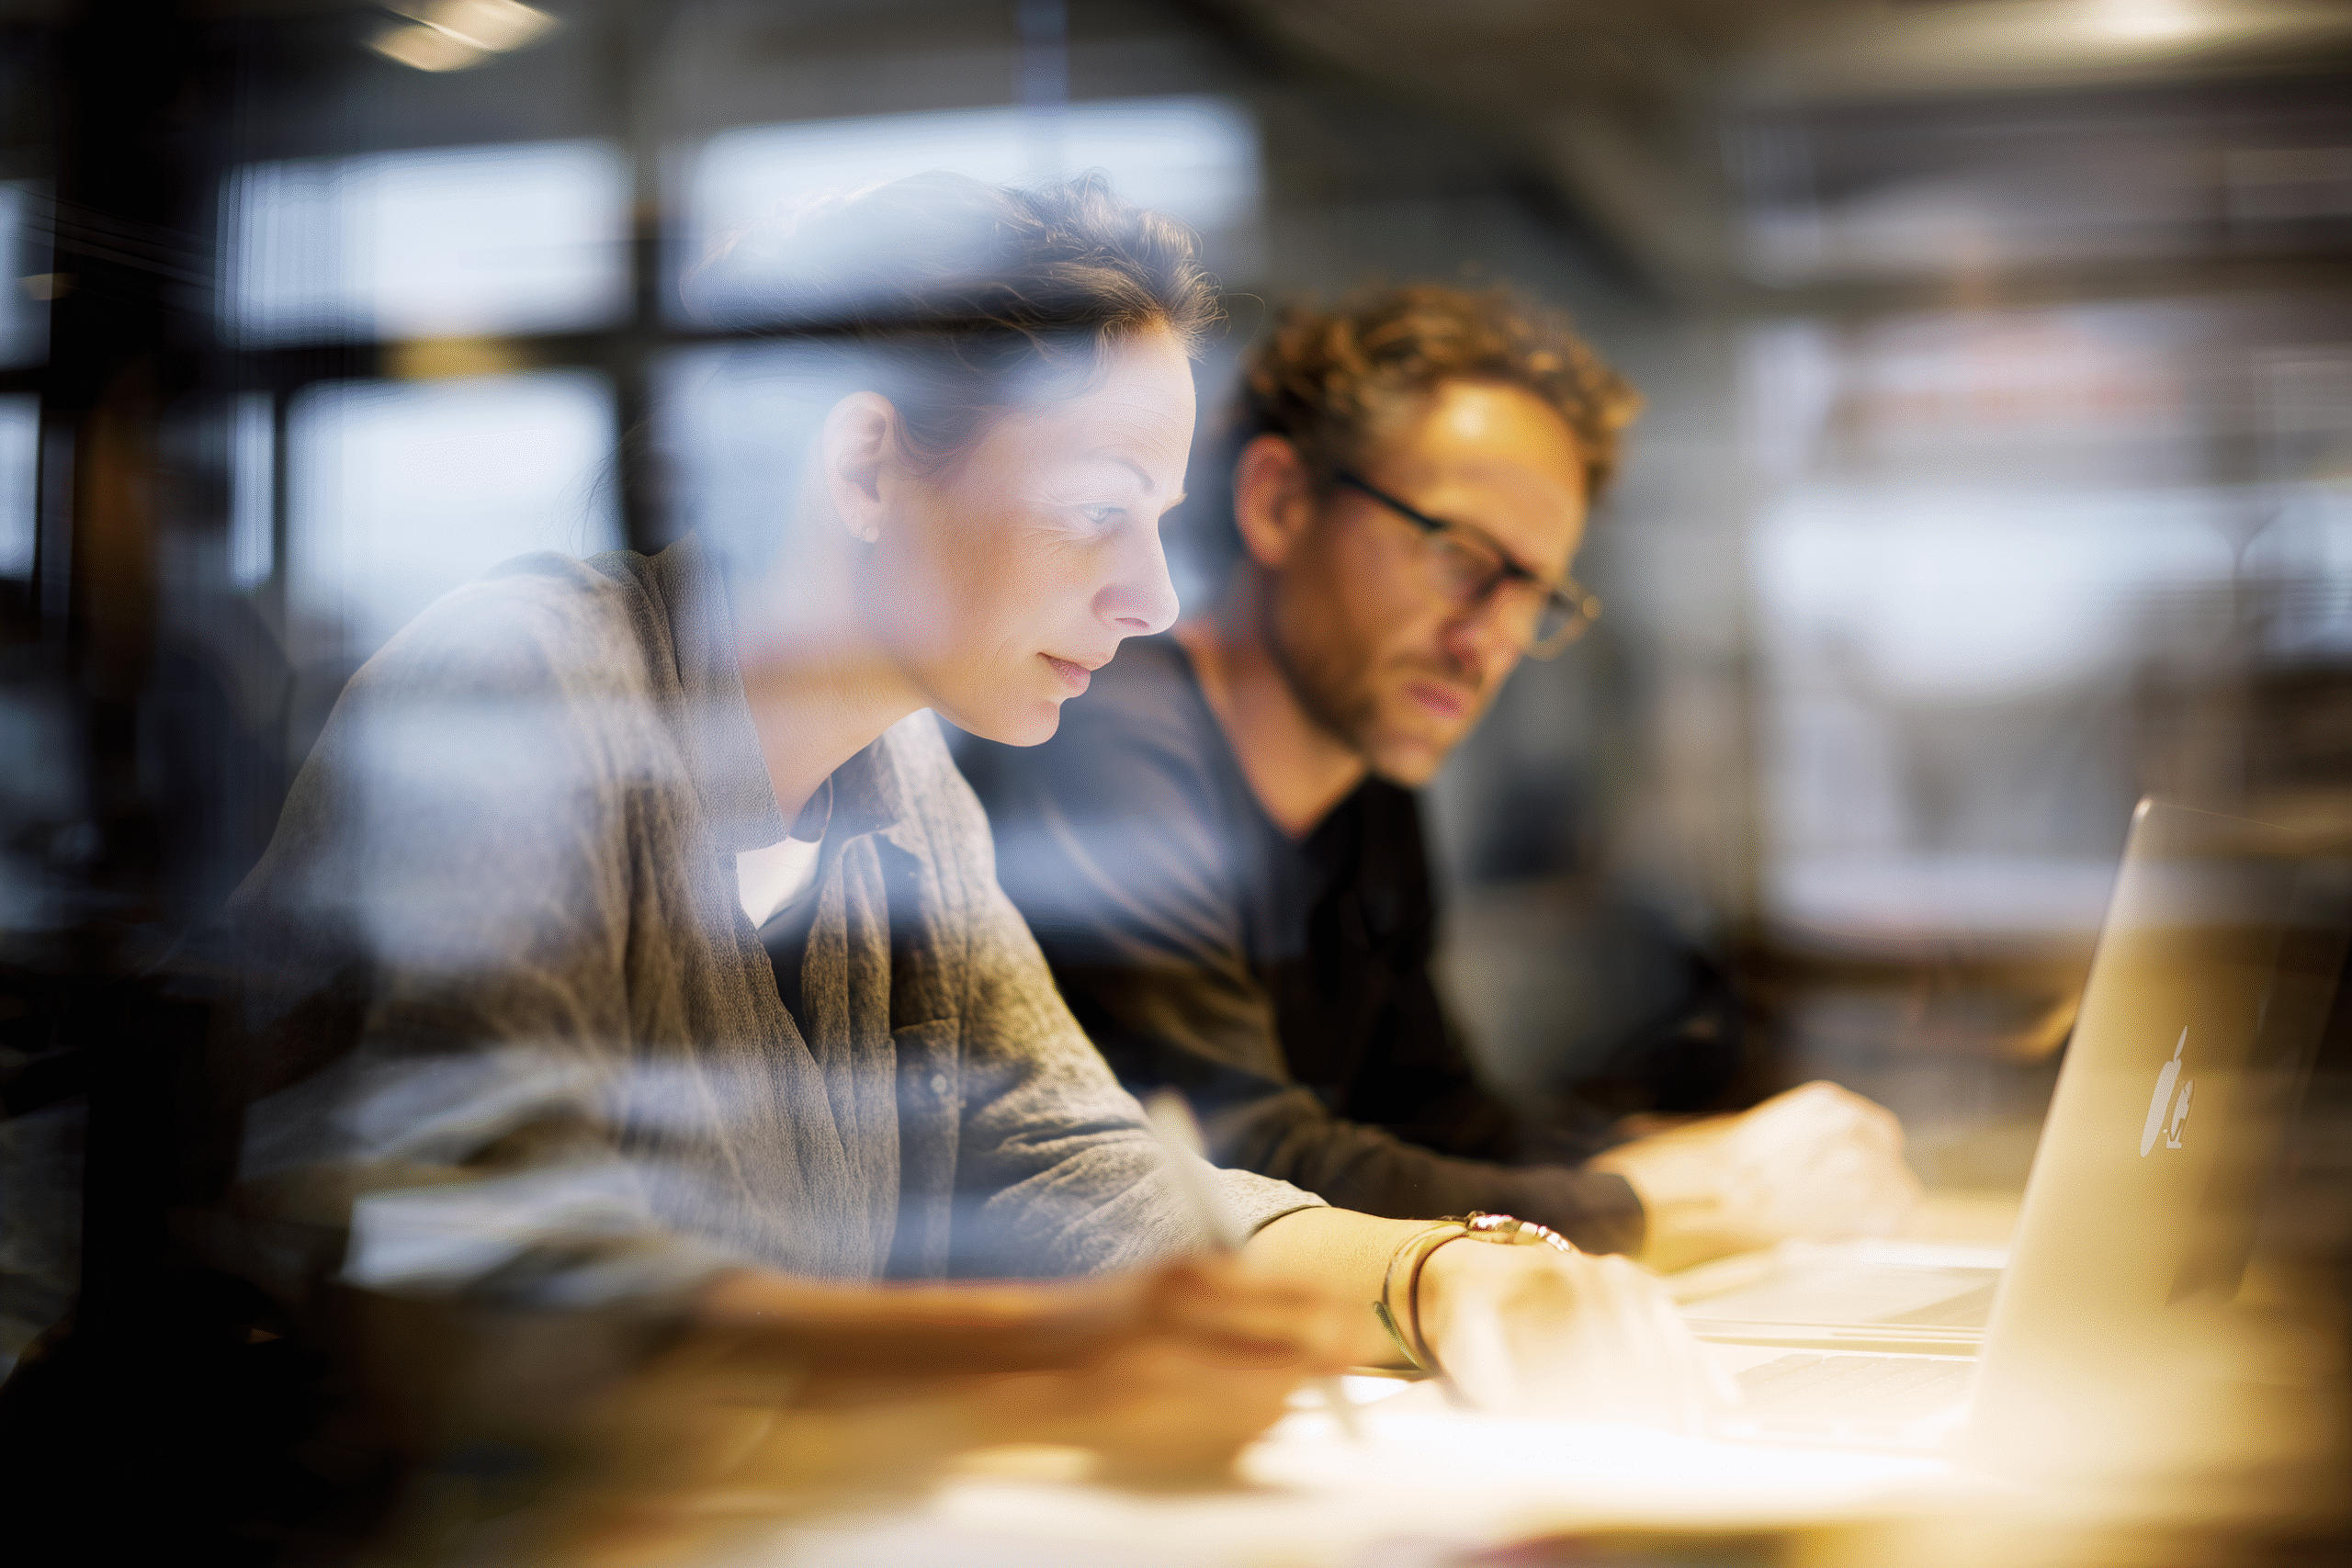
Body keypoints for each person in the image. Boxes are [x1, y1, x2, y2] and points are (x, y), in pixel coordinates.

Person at [6, 183, 1716, 1564]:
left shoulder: (903, 786)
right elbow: (483, 1285)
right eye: (1096, 506)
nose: (1150, 596)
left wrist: (1445, 1268)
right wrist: (1030, 1364)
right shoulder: (525, 688)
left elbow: (1080, 1167)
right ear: (866, 462)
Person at [957, 285, 1919, 1276]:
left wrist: (1704, 1157)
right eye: (1461, 557)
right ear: (1279, 503)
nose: (1491, 641)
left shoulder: (1366, 793)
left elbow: (1445, 1127)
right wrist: (1675, 1204)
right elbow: (1244, 1168)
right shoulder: (1102, 744)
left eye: (1532, 593)